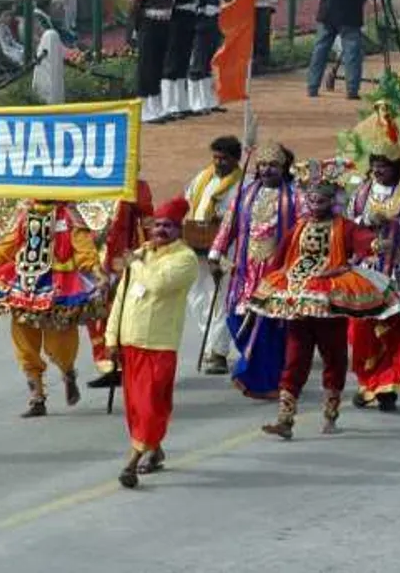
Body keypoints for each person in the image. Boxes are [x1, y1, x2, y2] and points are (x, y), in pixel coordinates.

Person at [250, 158, 394, 440]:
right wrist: (266, 286)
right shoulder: (300, 227)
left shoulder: (343, 226)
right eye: (311, 199)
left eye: (321, 200)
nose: (315, 204)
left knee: (335, 357)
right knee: (294, 359)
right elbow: (281, 258)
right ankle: (285, 418)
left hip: (329, 299)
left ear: (332, 201)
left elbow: (362, 239)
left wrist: (376, 243)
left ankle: (331, 411)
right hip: (298, 298)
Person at [0, 198, 107, 417]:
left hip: (59, 289)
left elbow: (84, 251)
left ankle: (68, 372)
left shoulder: (70, 215)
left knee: (60, 346)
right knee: (24, 344)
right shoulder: (26, 215)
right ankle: (37, 397)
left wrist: (98, 274)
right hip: (24, 286)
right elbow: (4, 249)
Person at [104, 196, 201, 489]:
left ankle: (132, 462)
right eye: (157, 225)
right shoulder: (142, 254)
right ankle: (154, 450)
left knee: (150, 406)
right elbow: (121, 299)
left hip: (159, 345)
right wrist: (111, 338)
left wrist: (135, 264)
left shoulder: (185, 260)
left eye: (168, 226)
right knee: (135, 407)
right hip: (130, 342)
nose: (160, 230)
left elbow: (157, 285)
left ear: (178, 230)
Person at [345, 109, 400, 410]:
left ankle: (387, 387)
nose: (378, 169)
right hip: (367, 273)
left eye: (384, 165)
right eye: (375, 164)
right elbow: (347, 227)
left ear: (397, 167)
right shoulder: (360, 194)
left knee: (395, 332)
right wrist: (365, 218)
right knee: (361, 332)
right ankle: (367, 383)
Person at [208, 142, 298, 399]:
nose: (267, 170)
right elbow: (229, 226)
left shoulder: (293, 196)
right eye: (262, 165)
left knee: (270, 329)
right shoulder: (246, 193)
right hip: (245, 272)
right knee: (237, 321)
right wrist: (216, 254)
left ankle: (266, 381)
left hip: (278, 274)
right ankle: (261, 375)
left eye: (273, 165)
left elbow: (303, 231)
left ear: (283, 168)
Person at [85, 181, 155, 390]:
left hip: (122, 261)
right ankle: (108, 366)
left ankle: (129, 365)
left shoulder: (135, 185)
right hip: (92, 262)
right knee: (96, 315)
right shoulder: (87, 185)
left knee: (124, 315)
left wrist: (151, 253)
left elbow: (148, 221)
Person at [185, 135, 246, 374]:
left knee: (221, 298)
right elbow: (188, 200)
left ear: (235, 159)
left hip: (225, 249)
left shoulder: (244, 183)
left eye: (224, 158)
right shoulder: (203, 177)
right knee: (197, 296)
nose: (218, 162)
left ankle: (218, 351)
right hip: (197, 244)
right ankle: (210, 341)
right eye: (216, 157)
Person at [306, 0, 373, 100]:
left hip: (327, 13)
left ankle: (312, 87)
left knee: (320, 50)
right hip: (348, 15)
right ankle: (352, 90)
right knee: (352, 53)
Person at [133, 0, 175, 123]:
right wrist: (136, 29)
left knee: (158, 65)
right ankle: (143, 107)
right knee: (146, 66)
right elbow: (136, 5)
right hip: (148, 24)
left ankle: (156, 104)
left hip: (163, 24)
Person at [163, 0, 200, 118]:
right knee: (173, 62)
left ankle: (182, 103)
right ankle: (170, 105)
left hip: (188, 20)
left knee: (183, 62)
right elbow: (172, 0)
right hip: (177, 20)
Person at [187, 0, 225, 114]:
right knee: (198, 64)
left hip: (213, 23)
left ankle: (209, 100)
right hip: (202, 25)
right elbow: (197, 4)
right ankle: (196, 102)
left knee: (209, 63)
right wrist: (206, 10)